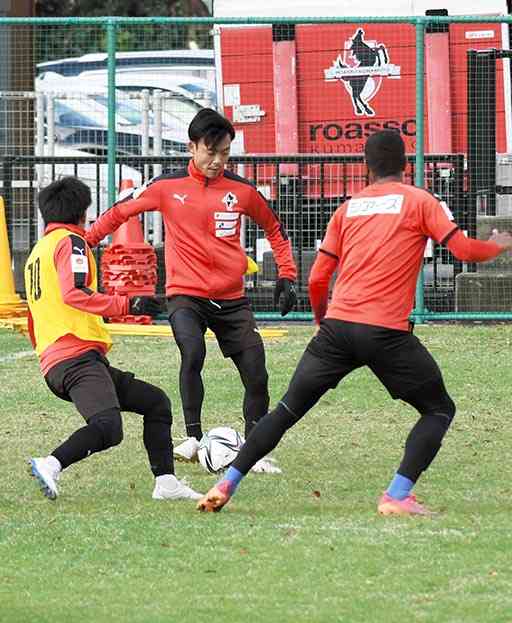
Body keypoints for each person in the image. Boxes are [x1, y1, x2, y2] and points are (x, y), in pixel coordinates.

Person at [197, 129, 512, 516]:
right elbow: (464, 249)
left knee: (284, 411)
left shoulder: (349, 207)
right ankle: (397, 496)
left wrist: (320, 321)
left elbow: (317, 278)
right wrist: (500, 241)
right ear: (406, 163)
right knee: (438, 409)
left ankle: (226, 483)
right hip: (385, 332)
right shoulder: (419, 201)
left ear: (366, 167)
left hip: (337, 329)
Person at [86, 108, 297, 472]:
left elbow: (275, 230)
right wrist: (82, 241)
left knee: (257, 371)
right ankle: (194, 438)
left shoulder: (242, 191)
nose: (217, 161)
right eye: (210, 152)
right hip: (186, 294)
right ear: (192, 147)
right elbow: (119, 212)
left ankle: (254, 449)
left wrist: (287, 276)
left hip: (232, 298)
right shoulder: (166, 187)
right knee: (193, 352)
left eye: (225, 153)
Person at [26, 177, 202, 502]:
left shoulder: (38, 252)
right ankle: (50, 463)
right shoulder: (71, 242)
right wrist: (127, 303)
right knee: (108, 427)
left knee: (156, 403)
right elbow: (74, 292)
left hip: (63, 358)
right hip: (74, 356)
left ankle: (166, 483)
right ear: (82, 213)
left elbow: (32, 315)